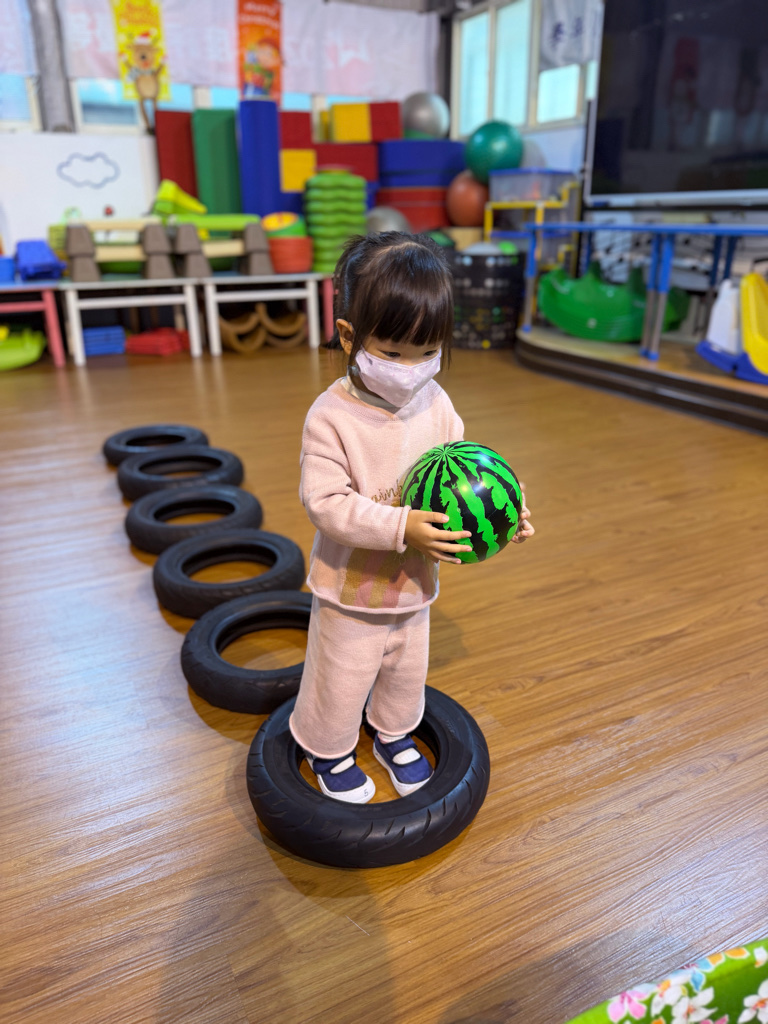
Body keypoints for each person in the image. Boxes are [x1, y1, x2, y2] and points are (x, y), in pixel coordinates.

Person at [289, 232, 534, 804]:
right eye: (394, 353)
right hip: (352, 589)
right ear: (349, 336)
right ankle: (329, 748)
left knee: (405, 671)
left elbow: (468, 471)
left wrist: (507, 507)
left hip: (414, 585)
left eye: (428, 353)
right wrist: (402, 526)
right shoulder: (331, 417)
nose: (413, 369)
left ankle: (393, 733)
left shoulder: (436, 403)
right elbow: (325, 502)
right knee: (341, 676)